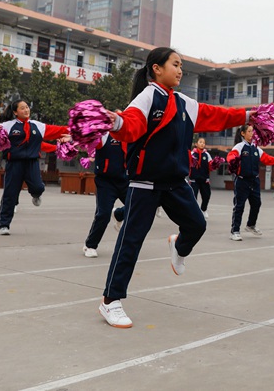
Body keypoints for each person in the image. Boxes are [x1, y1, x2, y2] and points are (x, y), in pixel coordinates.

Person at [98, 47, 250, 328]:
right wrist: (115, 122)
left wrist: (249, 115)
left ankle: (178, 246)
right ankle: (111, 301)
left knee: (196, 225)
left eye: (181, 66)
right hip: (144, 183)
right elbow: (130, 124)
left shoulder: (184, 103)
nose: (180, 70)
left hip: (176, 183)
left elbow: (218, 115)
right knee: (130, 242)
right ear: (156, 68)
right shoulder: (147, 96)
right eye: (175, 64)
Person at [0, 100, 69, 235]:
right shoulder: (7, 126)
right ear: (15, 112)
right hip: (14, 163)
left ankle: (36, 195)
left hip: (32, 163)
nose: (26, 110)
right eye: (22, 108)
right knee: (10, 195)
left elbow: (59, 130)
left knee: (38, 187)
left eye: (27, 107)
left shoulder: (37, 126)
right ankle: (4, 225)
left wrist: (77, 130)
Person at [227, 124, 274, 241]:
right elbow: (231, 155)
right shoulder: (239, 147)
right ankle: (235, 231)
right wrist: (232, 160)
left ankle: (250, 225)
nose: (251, 133)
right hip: (242, 181)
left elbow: (268, 159)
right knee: (239, 206)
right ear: (243, 133)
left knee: (257, 204)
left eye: (252, 131)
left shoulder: (255, 148)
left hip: (254, 181)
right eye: (249, 131)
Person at [83, 133, 128, 258]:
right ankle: (90, 245)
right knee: (103, 214)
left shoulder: (130, 135)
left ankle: (119, 214)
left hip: (126, 180)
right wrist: (73, 138)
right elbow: (87, 138)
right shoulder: (104, 135)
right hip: (106, 182)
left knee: (140, 206)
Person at [189, 137, 213, 220]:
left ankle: (203, 209)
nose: (202, 144)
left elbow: (211, 165)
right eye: (200, 142)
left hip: (204, 179)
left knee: (207, 195)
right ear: (196, 144)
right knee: (193, 196)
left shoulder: (207, 154)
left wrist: (214, 164)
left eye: (203, 142)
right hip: (194, 179)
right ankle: (194, 213)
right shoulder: (192, 154)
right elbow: (188, 164)